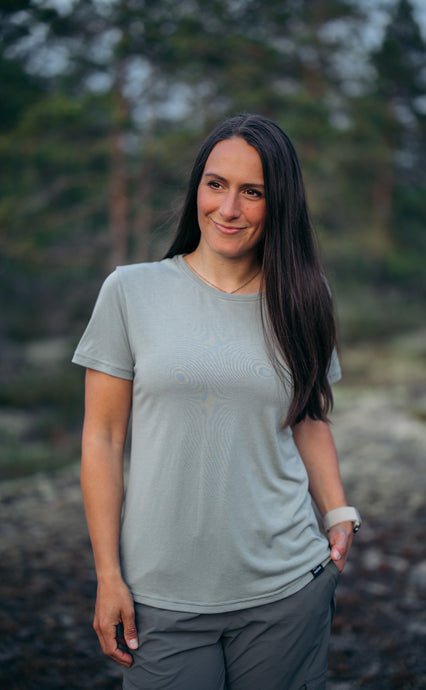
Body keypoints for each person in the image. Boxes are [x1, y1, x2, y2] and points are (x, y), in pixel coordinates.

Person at [72, 113, 360, 690]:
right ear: (197, 189)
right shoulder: (130, 291)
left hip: (286, 589)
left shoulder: (305, 298)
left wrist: (338, 514)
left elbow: (308, 417)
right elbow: (102, 439)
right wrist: (108, 576)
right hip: (161, 598)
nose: (228, 209)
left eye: (253, 192)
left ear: (280, 204)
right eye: (216, 184)